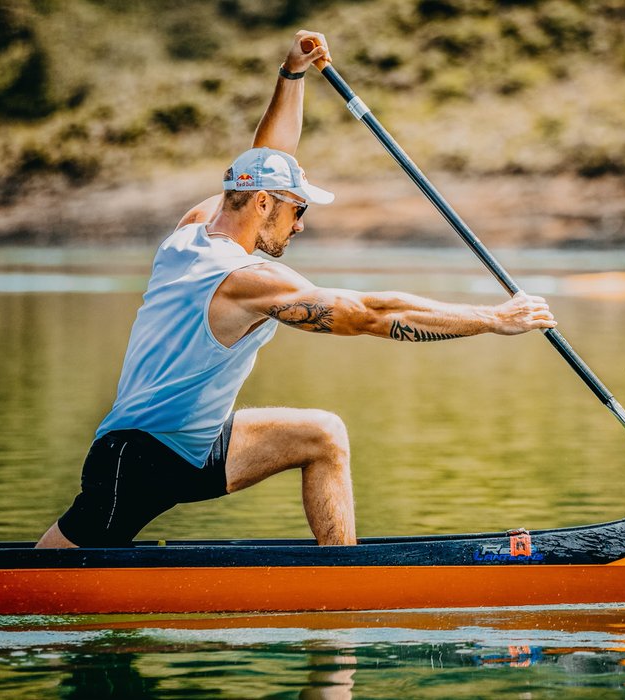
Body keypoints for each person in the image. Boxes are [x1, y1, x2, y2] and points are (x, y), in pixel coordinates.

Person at [35, 31, 555, 549]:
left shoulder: (192, 230)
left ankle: (340, 579)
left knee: (322, 435)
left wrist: (293, 75)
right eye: (297, 208)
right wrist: (493, 318)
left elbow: (265, 157)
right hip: (141, 457)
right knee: (44, 579)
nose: (300, 224)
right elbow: (370, 314)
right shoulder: (248, 282)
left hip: (196, 445)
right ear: (262, 204)